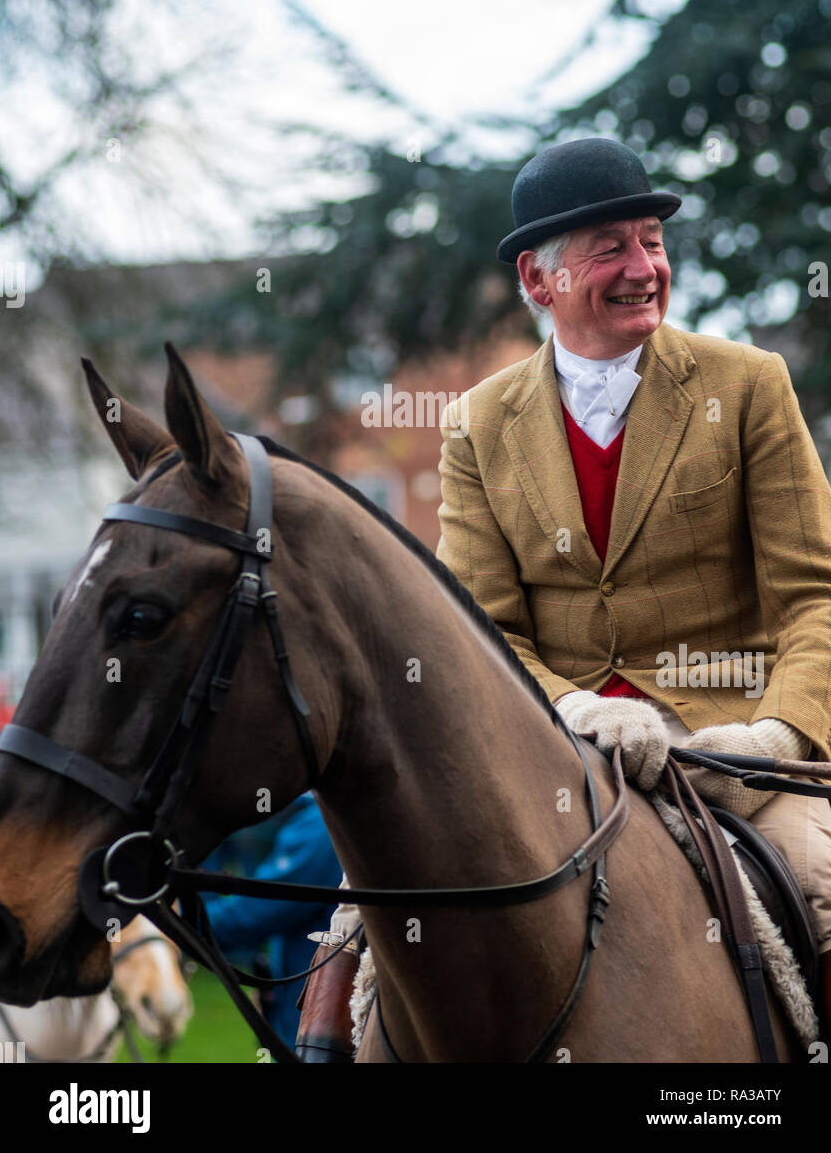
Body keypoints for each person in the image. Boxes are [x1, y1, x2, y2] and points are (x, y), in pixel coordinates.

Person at [302, 136, 831, 1052]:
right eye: (612, 249)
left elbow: (816, 597)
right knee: (346, 946)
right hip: (547, 746)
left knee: (825, 891)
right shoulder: (475, 423)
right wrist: (576, 708)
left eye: (652, 242)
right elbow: (481, 627)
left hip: (733, 747)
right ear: (538, 281)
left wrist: (772, 737)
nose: (645, 269)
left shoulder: (749, 386)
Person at [201, 791, 342, 1053]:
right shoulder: (330, 817)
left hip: (318, 1029)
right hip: (316, 1018)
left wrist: (181, 922)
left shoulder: (322, 826)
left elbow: (252, 915)